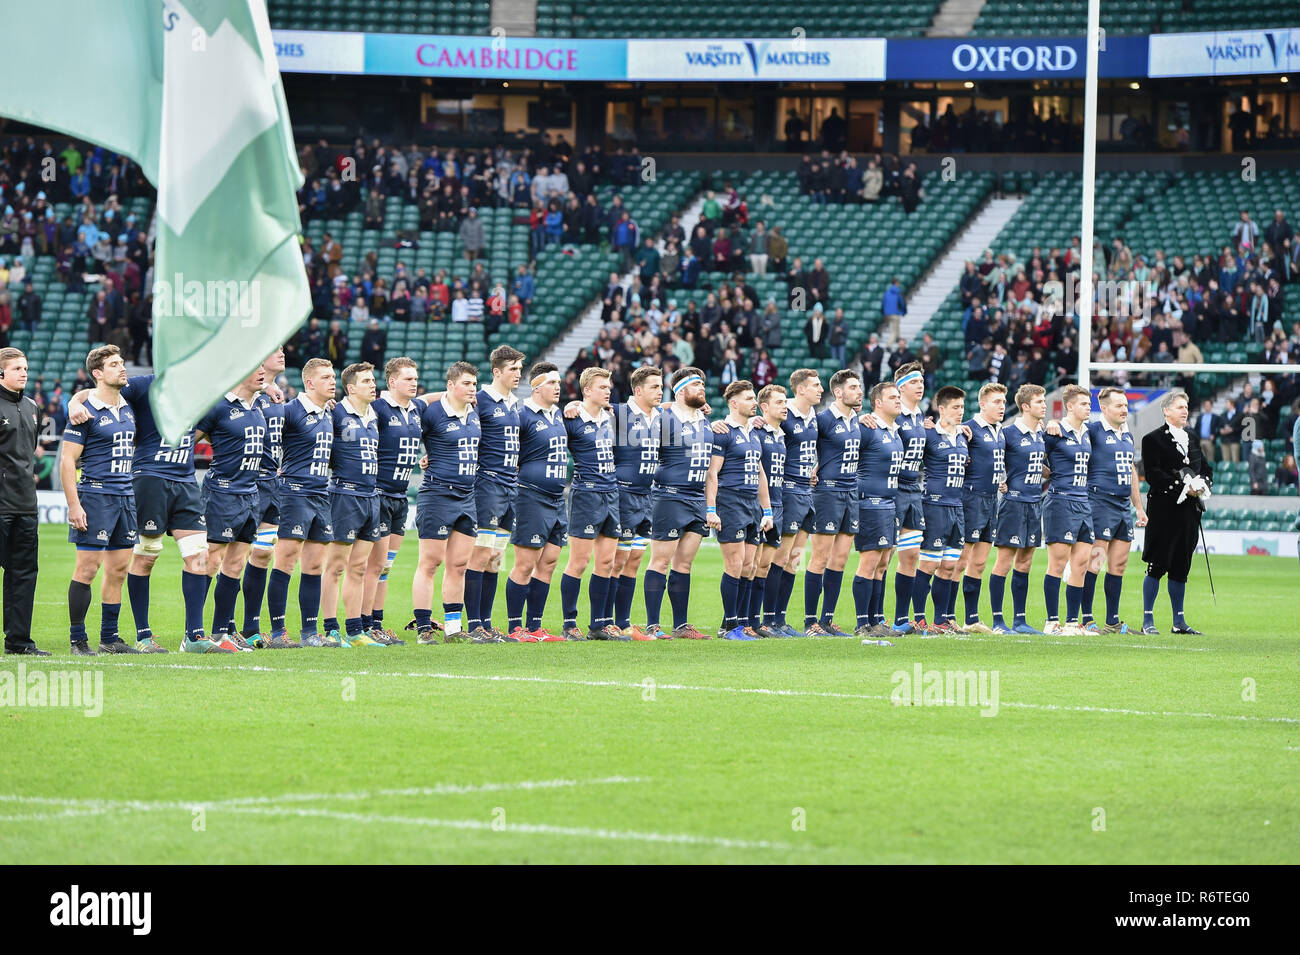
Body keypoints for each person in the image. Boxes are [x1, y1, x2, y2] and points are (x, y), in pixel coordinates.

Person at [67, 367, 211, 652]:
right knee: (145, 558)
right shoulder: (144, 385)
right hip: (149, 479)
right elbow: (99, 393)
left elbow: (209, 421)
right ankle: (143, 636)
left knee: (200, 557)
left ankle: (194, 636)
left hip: (185, 481)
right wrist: (74, 402)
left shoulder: (199, 387)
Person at [60, 345, 140, 655]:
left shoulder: (129, 402)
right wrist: (74, 504)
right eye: (114, 364)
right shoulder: (84, 411)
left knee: (118, 570)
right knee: (87, 569)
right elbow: (68, 461)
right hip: (95, 496)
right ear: (98, 373)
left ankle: (110, 638)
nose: (122, 368)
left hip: (125, 496)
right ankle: (78, 640)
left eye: (122, 362)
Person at [193, 366, 269, 652]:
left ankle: (219, 633)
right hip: (221, 493)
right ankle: (194, 633)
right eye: (256, 368)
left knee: (236, 564)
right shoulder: (217, 407)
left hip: (251, 494)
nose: (262, 373)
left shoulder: (257, 407)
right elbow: (188, 443)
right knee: (210, 561)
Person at [266, 358, 338, 647]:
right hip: (294, 494)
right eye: (325, 377)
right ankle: (278, 631)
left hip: (321, 494)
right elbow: (265, 440)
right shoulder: (291, 411)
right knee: (285, 561)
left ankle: (310, 632)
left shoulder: (330, 413)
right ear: (309, 383)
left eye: (333, 376)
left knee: (314, 566)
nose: (332, 381)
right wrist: (273, 470)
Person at [318, 362, 387, 648]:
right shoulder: (335, 413)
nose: (373, 384)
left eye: (374, 379)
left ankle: (355, 630)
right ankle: (331, 628)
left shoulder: (373, 415)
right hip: (343, 496)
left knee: (359, 568)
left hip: (371, 497)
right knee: (335, 566)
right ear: (351, 388)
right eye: (367, 381)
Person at [413, 361, 483, 642]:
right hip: (438, 494)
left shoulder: (475, 410)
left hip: (467, 496)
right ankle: (423, 629)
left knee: (459, 566)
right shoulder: (432, 412)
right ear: (451, 385)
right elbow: (411, 405)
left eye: (474, 384)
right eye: (466, 384)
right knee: (430, 563)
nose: (472, 389)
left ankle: (453, 629)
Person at [644, 367, 715, 639]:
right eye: (696, 385)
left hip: (696, 498)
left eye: (703, 385)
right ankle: (652, 625)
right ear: (681, 390)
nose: (703, 389)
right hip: (670, 496)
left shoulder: (706, 421)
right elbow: (633, 413)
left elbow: (711, 470)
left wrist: (710, 506)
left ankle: (681, 625)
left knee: (684, 564)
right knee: (660, 562)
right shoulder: (663, 416)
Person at [359, 357, 423, 646]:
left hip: (400, 496)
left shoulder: (416, 409)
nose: (414, 383)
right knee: (374, 566)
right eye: (408, 378)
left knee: (386, 567)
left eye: (415, 378)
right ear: (392, 381)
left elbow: (438, 398)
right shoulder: (378, 409)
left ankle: (378, 623)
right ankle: (364, 625)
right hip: (380, 494)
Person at [462, 347, 524, 642]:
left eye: (520, 369)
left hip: (510, 487)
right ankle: (473, 624)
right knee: (481, 553)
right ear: (496, 371)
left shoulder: (514, 403)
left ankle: (485, 622)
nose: (518, 374)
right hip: (487, 486)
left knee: (496, 557)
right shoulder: (481, 400)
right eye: (513, 369)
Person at [504, 363, 569, 642]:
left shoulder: (559, 414)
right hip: (530, 496)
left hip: (557, 499)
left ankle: (535, 626)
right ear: (536, 387)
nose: (558, 387)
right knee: (525, 563)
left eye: (559, 382)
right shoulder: (522, 415)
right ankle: (515, 627)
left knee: (550, 561)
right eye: (552, 383)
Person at [1139, 390, 1211, 634]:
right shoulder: (1152, 439)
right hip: (1163, 511)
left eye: (1186, 407)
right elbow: (1153, 474)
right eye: (1179, 407)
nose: (1185, 411)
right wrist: (1183, 486)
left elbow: (1207, 468)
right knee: (1157, 564)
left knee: (1181, 566)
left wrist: (1202, 485)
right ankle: (1147, 620)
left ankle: (1178, 621)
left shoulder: (1192, 438)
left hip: (1189, 513)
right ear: (1166, 411)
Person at [240, 348, 298, 649]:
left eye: (282, 349)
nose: (282, 353)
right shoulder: (245, 391)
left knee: (263, 553)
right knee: (228, 557)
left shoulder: (279, 395)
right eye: (274, 350)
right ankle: (211, 630)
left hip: (272, 484)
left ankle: (251, 628)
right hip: (245, 482)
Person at [707, 380, 774, 641]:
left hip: (751, 504)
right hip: (731, 501)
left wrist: (766, 510)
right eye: (748, 398)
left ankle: (741, 623)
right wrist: (711, 508)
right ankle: (729, 626)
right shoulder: (722, 432)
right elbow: (712, 473)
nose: (754, 402)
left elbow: (760, 474)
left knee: (749, 565)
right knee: (734, 564)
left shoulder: (754, 432)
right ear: (733, 403)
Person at [1076, 387, 1147, 633]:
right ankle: (1086, 618)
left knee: (1119, 565)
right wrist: (1053, 424)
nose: (1124, 409)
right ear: (1104, 409)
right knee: (1095, 562)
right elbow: (1069, 430)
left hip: (1122, 506)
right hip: (1099, 502)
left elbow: (1131, 472)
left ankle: (1112, 621)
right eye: (1118, 405)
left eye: (1126, 405)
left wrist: (1139, 506)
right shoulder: (1093, 431)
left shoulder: (1127, 436)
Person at [559, 367, 622, 641]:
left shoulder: (612, 416)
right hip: (586, 493)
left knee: (606, 561)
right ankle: (569, 623)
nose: (608, 390)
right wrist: (570, 405)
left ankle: (598, 625)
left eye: (608, 386)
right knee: (579, 561)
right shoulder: (571, 418)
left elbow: (654, 407)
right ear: (587, 391)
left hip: (612, 492)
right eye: (602, 386)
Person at [803, 369, 863, 636]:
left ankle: (827, 620)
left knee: (839, 560)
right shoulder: (823, 420)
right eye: (853, 387)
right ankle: (809, 621)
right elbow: (801, 444)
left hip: (851, 493)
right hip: (827, 493)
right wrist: (810, 470)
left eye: (859, 387)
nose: (859, 391)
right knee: (820, 558)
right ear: (838, 392)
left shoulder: (859, 420)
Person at [606, 366, 664, 639]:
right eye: (654, 386)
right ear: (638, 390)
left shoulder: (661, 416)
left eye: (661, 386)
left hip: (647, 496)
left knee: (635, 559)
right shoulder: (618, 413)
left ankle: (624, 622)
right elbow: (587, 410)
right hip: (623, 494)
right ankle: (606, 622)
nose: (660, 390)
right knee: (617, 560)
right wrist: (572, 405)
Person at [988, 384, 1048, 634]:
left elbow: (1041, 467)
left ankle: (1020, 621)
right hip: (1013, 503)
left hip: (1035, 503)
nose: (1044, 405)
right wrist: (1000, 480)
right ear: (1025, 407)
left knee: (1025, 563)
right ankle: (998, 620)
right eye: (1039, 402)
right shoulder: (1008, 434)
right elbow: (990, 459)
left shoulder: (1041, 434)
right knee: (1004, 562)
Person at [910, 387, 969, 631]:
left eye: (962, 408)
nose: (960, 412)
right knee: (929, 564)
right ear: (941, 409)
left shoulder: (965, 435)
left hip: (958, 507)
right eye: (955, 407)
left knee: (949, 566)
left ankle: (940, 619)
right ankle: (918, 617)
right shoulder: (928, 435)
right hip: (935, 506)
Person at [770, 369, 822, 636]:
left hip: (806, 492)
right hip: (788, 491)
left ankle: (780, 619)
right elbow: (763, 428)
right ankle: (769, 619)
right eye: (815, 385)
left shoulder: (814, 416)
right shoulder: (785, 412)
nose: (820, 389)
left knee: (794, 559)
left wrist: (816, 467)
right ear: (800, 389)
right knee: (781, 557)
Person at [0, 347, 45, 654]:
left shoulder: (32, 407)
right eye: (17, 368)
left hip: (26, 505)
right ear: (1, 373)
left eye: (26, 368)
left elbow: (27, 454)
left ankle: (18, 641)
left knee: (24, 574)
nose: (24, 373)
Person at [851, 381, 903, 638]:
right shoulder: (866, 428)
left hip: (889, 503)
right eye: (892, 397)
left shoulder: (894, 431)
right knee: (869, 562)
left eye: (898, 396)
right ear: (878, 403)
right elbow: (844, 452)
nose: (898, 400)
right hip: (869, 502)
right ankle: (862, 624)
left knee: (883, 563)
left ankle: (875, 620)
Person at [1041, 384, 1093, 635]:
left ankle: (1072, 622)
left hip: (1083, 502)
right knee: (1058, 564)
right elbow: (1032, 455)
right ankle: (1052, 621)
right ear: (1069, 406)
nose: (1088, 407)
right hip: (1061, 501)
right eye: (1083, 403)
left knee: (1081, 563)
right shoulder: (1054, 431)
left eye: (1088, 403)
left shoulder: (1088, 432)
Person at [954, 383, 1007, 633]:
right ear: (983, 404)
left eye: (1004, 402)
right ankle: (948, 616)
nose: (1002, 406)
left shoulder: (1000, 432)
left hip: (991, 499)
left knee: (979, 563)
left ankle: (971, 618)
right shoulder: (968, 429)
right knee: (961, 559)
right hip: (971, 498)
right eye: (996, 402)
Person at [752, 384, 788, 637]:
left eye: (785, 402)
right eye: (779, 402)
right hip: (756, 505)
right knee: (750, 565)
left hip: (778, 503)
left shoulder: (781, 434)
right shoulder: (755, 431)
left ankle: (759, 622)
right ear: (764, 407)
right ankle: (743, 621)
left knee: (765, 566)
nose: (785, 406)